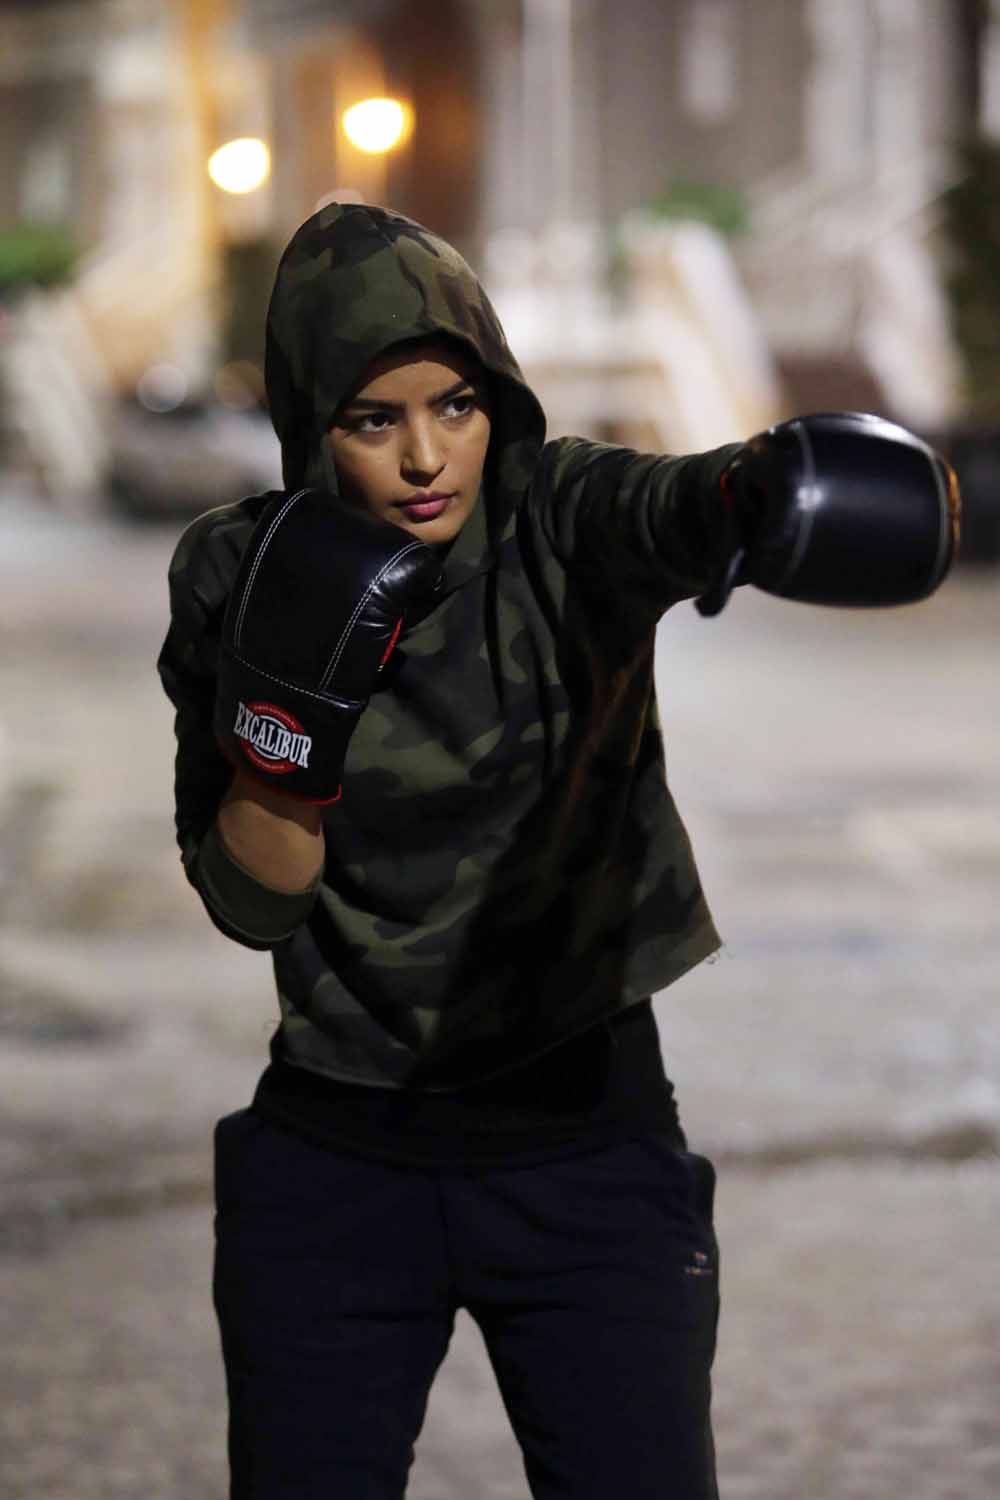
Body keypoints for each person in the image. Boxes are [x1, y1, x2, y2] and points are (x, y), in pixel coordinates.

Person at [157, 201, 956, 1500]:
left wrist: (755, 493)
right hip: (336, 1153)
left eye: (456, 406)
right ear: (311, 426)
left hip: (584, 1140)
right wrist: (288, 725)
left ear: (498, 399)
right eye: (373, 420)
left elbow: (675, 505)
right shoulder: (240, 573)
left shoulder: (563, 516)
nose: (427, 456)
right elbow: (254, 904)